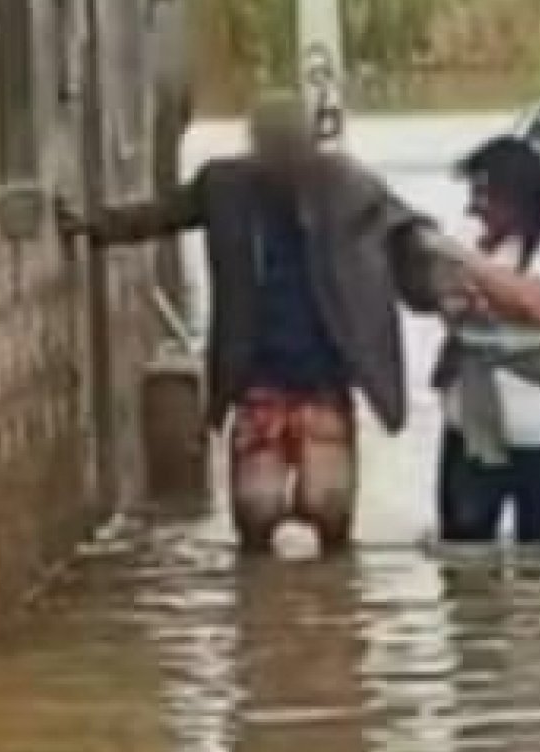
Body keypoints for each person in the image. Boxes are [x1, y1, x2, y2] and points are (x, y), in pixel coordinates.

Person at [59, 92, 442, 554]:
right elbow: (163, 215)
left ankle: (325, 608)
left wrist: (442, 276)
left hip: (324, 376)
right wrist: (94, 226)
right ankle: (268, 607)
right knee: (257, 512)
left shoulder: (345, 185)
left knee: (327, 508)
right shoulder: (225, 187)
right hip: (257, 375)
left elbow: (402, 230)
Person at [431, 136, 540, 544]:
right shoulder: (473, 238)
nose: (475, 206)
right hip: (471, 432)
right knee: (464, 556)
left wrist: (471, 266)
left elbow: (539, 306)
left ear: (516, 196)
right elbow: (444, 300)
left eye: (484, 195)